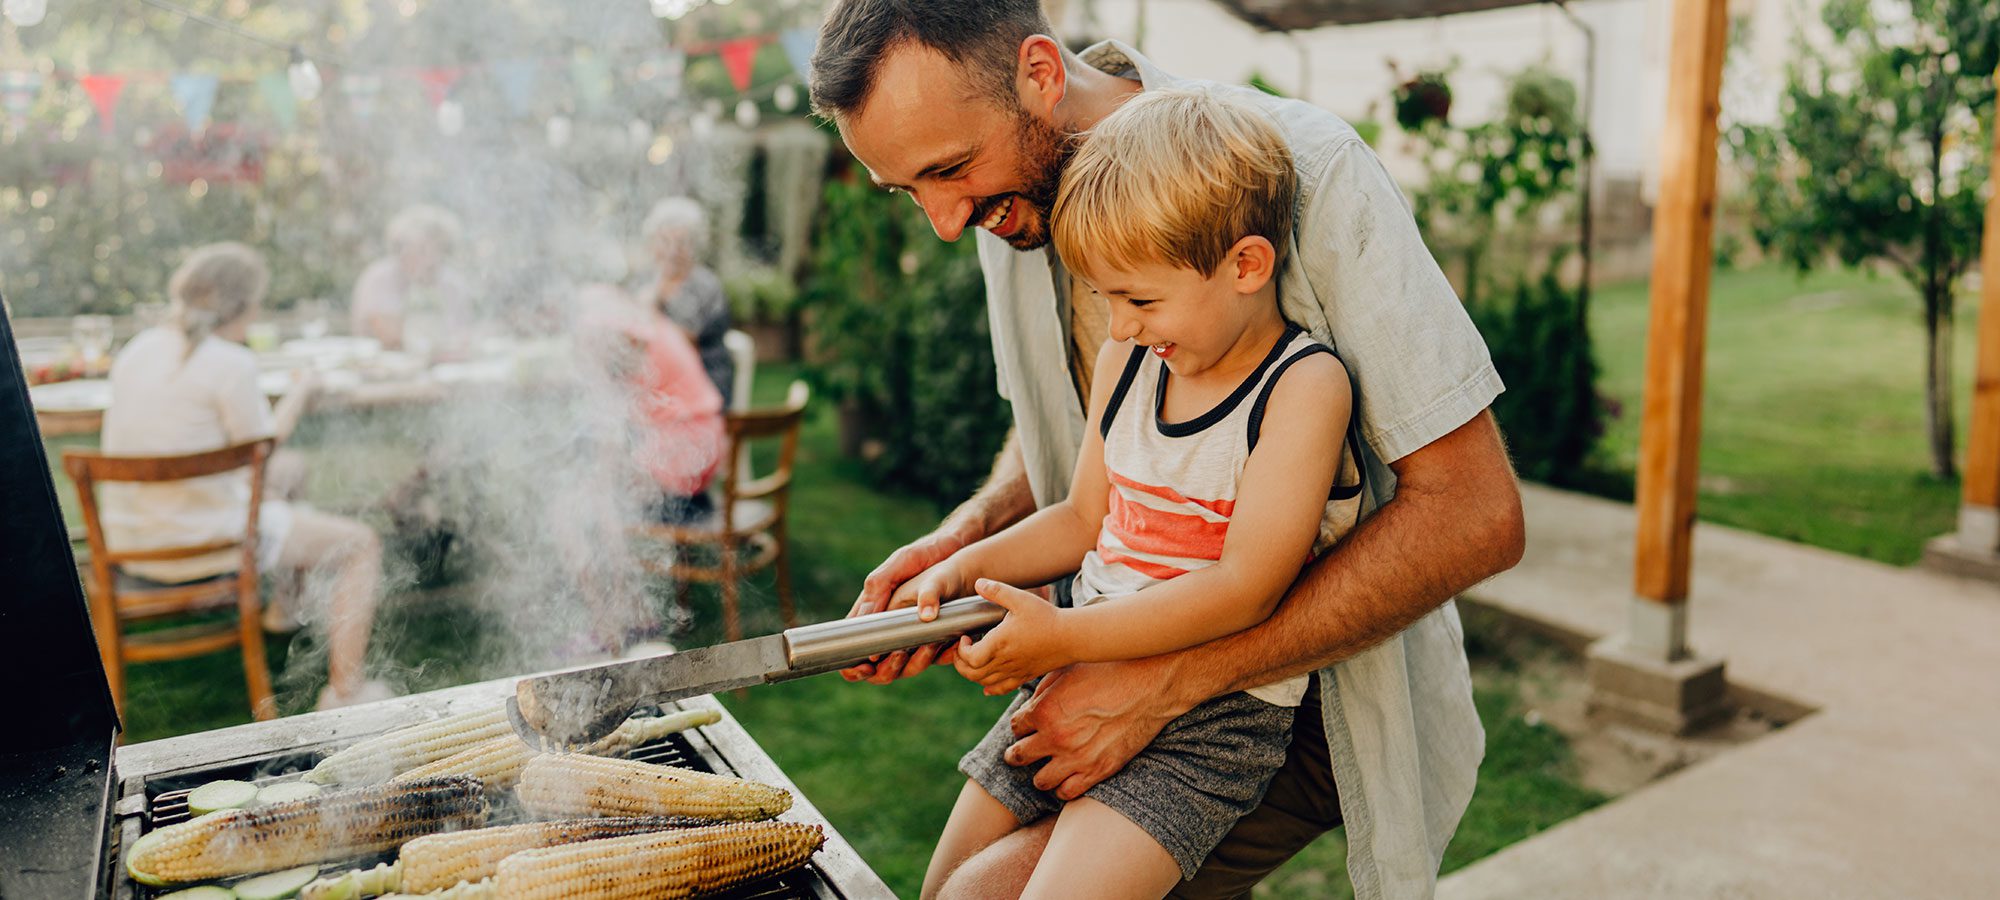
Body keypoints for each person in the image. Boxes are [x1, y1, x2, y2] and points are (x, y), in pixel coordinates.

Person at [809, 3, 1525, 898]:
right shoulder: (1006, 201)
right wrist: (965, 544)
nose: (945, 224)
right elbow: (1087, 440)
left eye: (950, 170)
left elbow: (1475, 515)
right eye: (908, 189)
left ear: (1039, 73)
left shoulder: (1312, 170)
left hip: (1293, 693)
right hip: (1106, 649)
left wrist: (1158, 686)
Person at [905, 87, 1362, 899]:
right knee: (943, 887)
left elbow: (1246, 589)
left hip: (1212, 720)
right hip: (1080, 675)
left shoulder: (1302, 389)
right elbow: (1082, 519)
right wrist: (962, 566)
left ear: (1246, 266)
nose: (1116, 327)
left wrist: (1065, 639)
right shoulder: (1131, 363)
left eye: (1139, 299)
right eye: (1104, 298)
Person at [102, 242, 393, 711]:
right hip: (208, 544)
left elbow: (253, 459)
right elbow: (261, 448)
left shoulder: (137, 350)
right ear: (245, 306)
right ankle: (345, 692)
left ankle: (283, 610)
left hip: (132, 542)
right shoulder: (229, 362)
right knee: (361, 543)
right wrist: (300, 393)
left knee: (291, 472)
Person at [633, 197, 734, 407]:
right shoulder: (644, 281)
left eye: (682, 243)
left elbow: (684, 344)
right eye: (665, 241)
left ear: (695, 245)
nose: (673, 251)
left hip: (703, 388)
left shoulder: (704, 286)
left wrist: (649, 310)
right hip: (659, 385)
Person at [349, 204, 472, 354]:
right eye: (420, 248)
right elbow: (390, 336)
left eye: (436, 248)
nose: (429, 258)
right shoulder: (379, 277)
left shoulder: (452, 283)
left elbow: (462, 334)